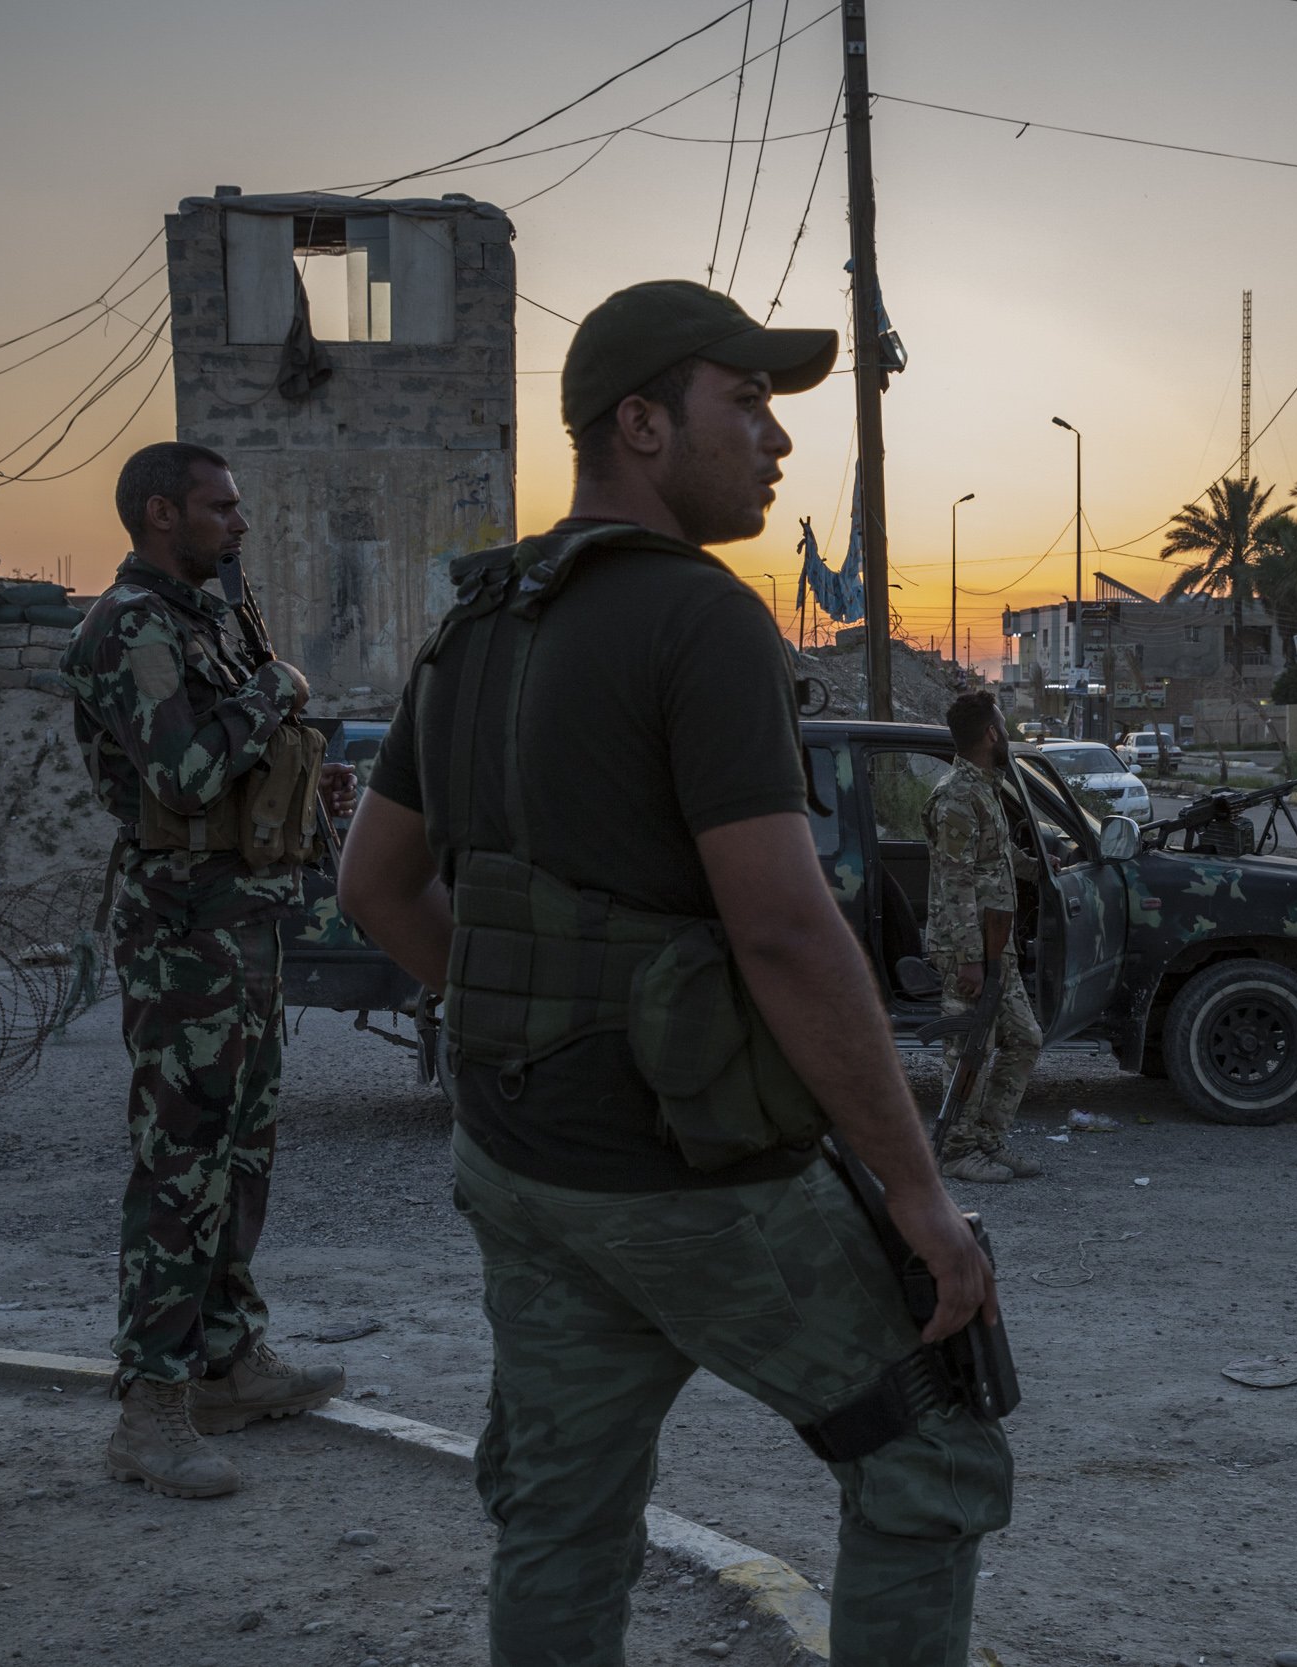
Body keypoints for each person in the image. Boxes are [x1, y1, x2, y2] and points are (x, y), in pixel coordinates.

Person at [334, 279, 1010, 1667]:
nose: (775, 439)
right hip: (688, 1180)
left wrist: (530, 1021)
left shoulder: (475, 624)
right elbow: (780, 927)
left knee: (562, 1508)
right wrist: (917, 1190)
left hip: (525, 1166)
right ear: (641, 424)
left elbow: (375, 887)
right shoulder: (699, 618)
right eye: (746, 402)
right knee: (930, 1460)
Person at [63, 442, 356, 1499]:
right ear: (158, 514)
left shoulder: (212, 618)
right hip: (183, 925)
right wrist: (274, 687)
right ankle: (151, 1406)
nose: (237, 523)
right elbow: (184, 773)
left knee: (241, 1150)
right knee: (180, 1161)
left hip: (242, 914)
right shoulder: (126, 627)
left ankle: (228, 1359)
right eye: (218, 507)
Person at [924, 691, 1047, 1184]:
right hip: (969, 948)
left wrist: (1041, 870)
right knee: (970, 1047)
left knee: (1024, 1039)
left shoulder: (984, 787)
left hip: (999, 945)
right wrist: (971, 959)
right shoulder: (955, 795)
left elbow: (991, 858)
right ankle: (956, 1152)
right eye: (1003, 723)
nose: (1008, 733)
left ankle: (988, 1143)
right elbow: (954, 880)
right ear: (991, 733)